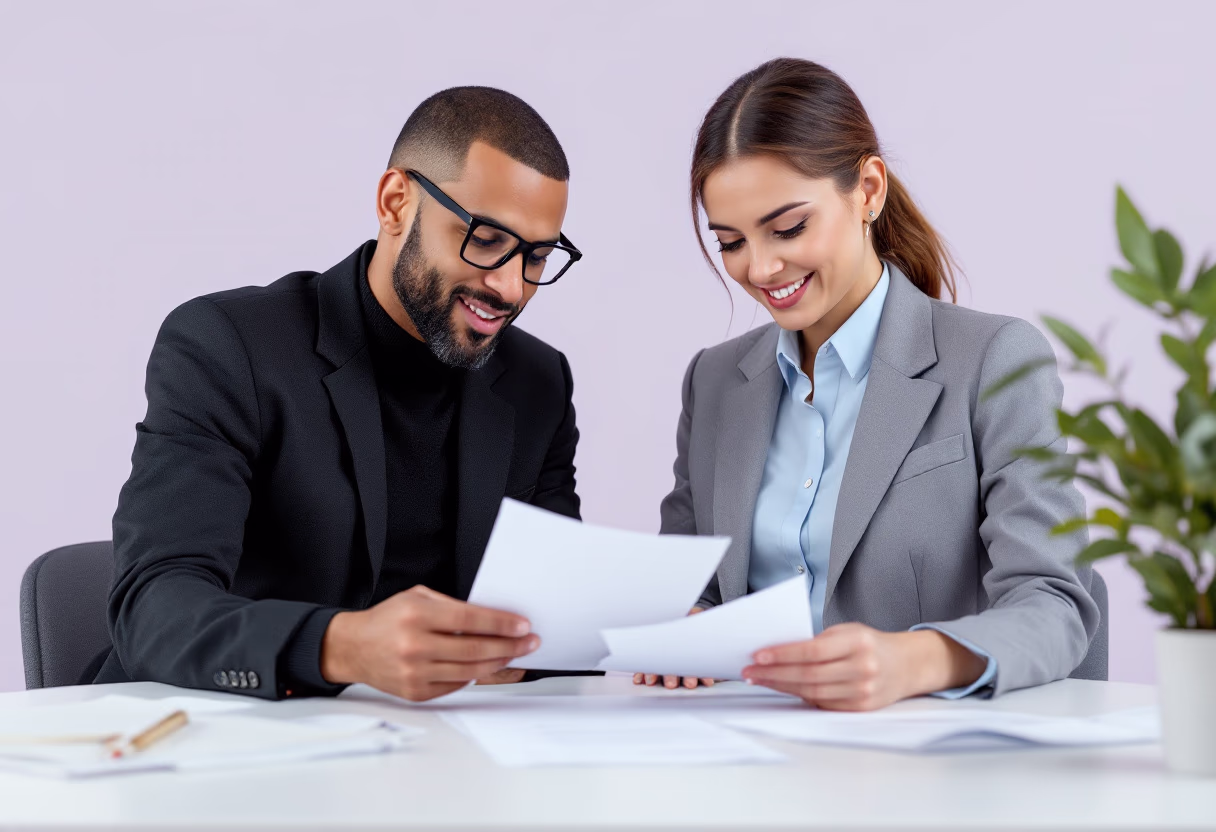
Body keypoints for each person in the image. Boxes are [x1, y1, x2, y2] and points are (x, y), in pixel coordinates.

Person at [96, 86, 585, 702]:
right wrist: (344, 647)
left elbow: (557, 621)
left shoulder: (538, 382)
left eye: (538, 257)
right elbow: (152, 608)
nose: (511, 287)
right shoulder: (229, 347)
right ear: (396, 203)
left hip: (435, 759)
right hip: (215, 740)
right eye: (485, 240)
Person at [638, 58, 1099, 708]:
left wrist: (917, 659)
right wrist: (683, 626)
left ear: (869, 190)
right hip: (744, 753)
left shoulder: (994, 359)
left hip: (926, 759)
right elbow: (689, 586)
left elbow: (1054, 603)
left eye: (789, 227)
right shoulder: (715, 381)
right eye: (731, 242)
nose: (762, 267)